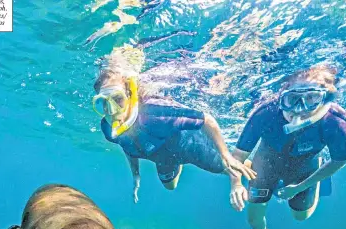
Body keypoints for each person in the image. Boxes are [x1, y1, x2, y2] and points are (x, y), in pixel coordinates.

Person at [228, 65, 346, 229]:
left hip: (305, 169)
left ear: (326, 99)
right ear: (282, 96)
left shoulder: (338, 124)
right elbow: (238, 156)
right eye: (292, 100)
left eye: (311, 99)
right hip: (265, 162)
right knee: (253, 219)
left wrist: (301, 186)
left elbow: (338, 161)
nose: (299, 109)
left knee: (300, 216)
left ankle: (318, 180)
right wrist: (235, 184)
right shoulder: (265, 113)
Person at [92, 52, 256, 203]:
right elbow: (127, 146)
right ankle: (179, 165)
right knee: (170, 187)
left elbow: (207, 120)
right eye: (102, 102)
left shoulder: (156, 115)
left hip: (191, 148)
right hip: (163, 158)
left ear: (130, 95)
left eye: (118, 99)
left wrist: (225, 154)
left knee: (234, 168)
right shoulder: (108, 128)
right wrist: (136, 175)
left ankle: (269, 177)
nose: (111, 110)